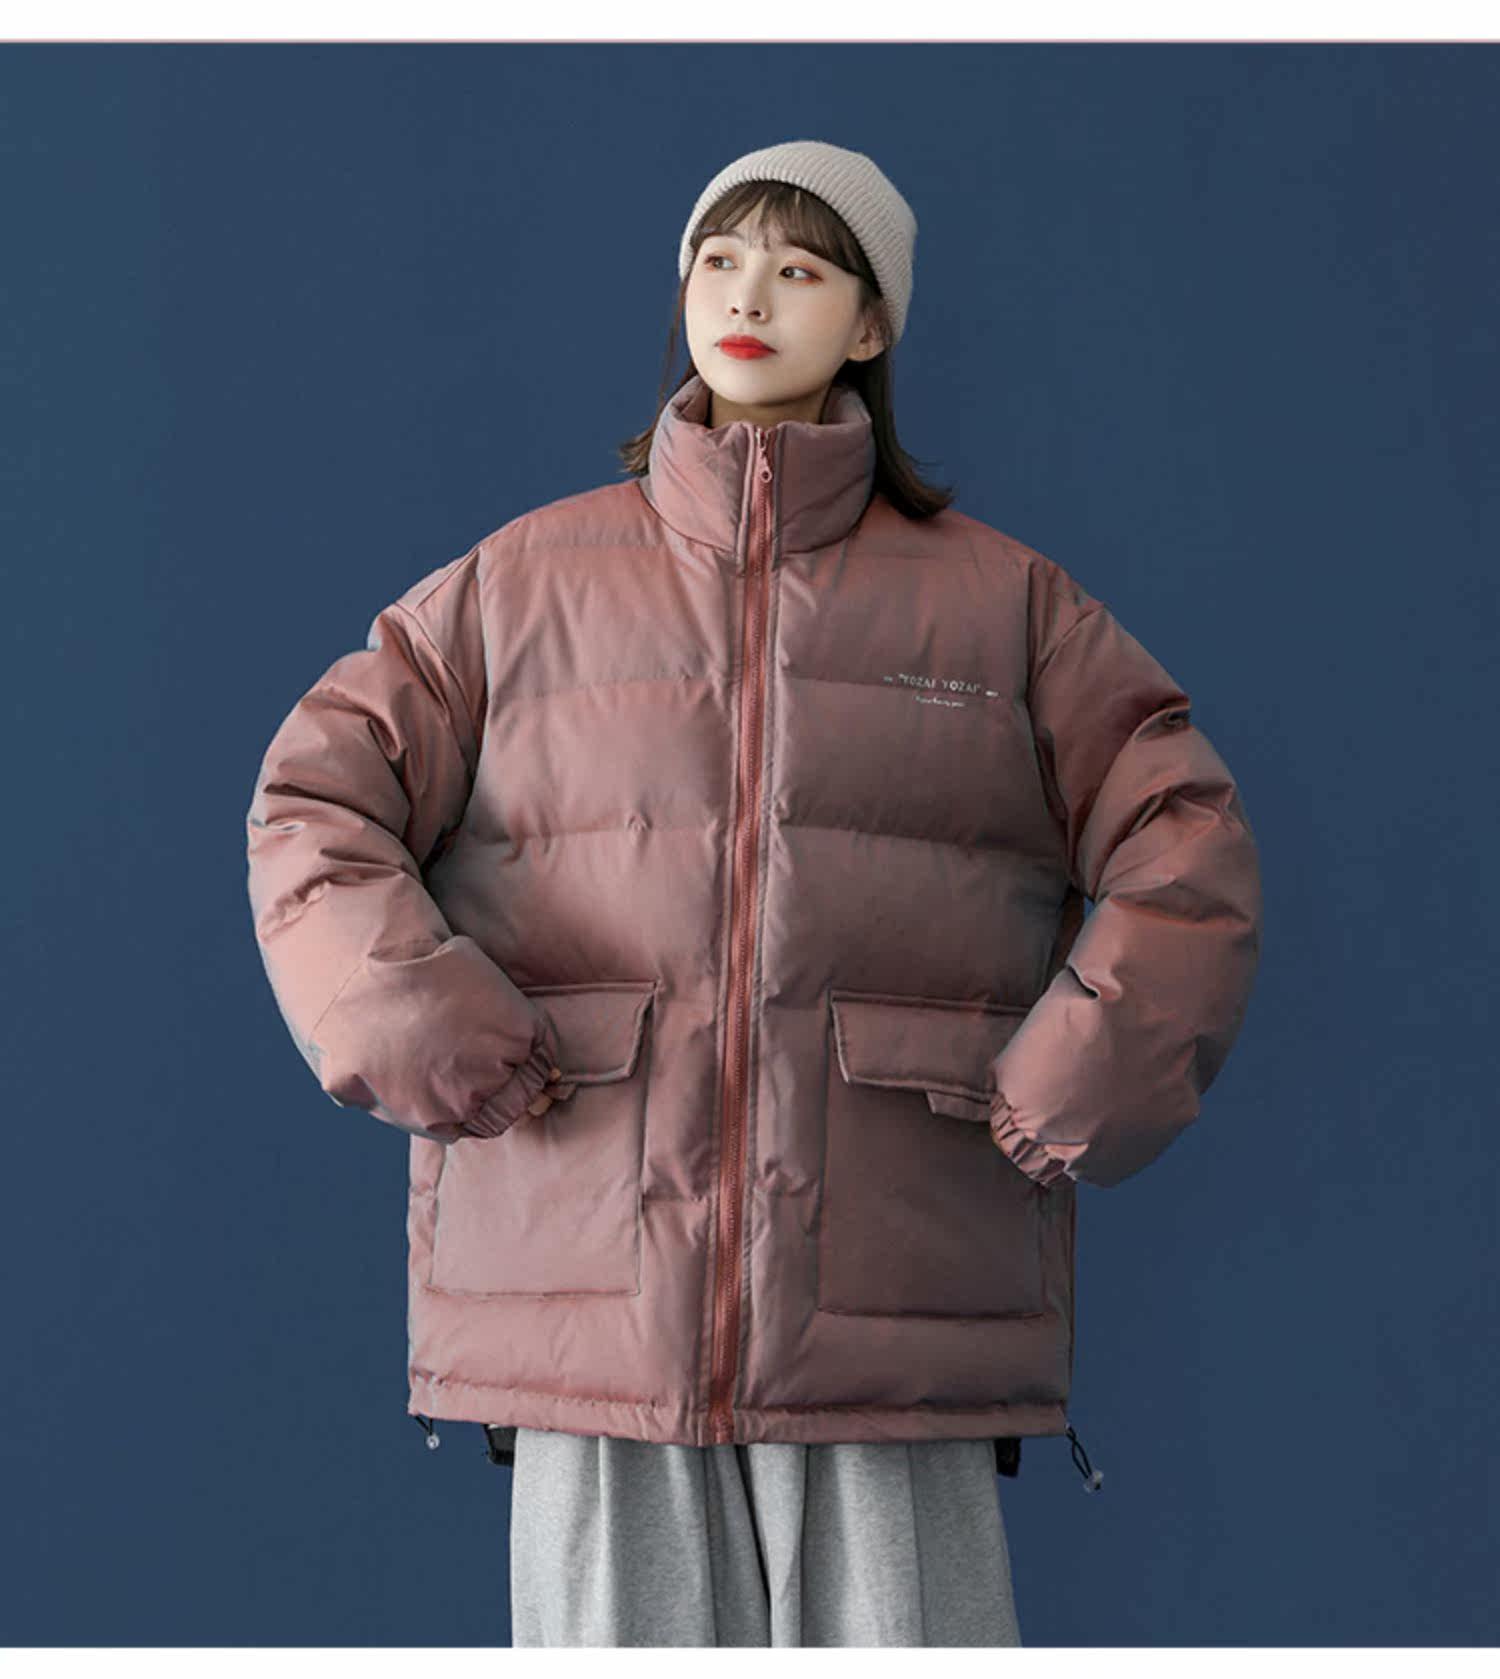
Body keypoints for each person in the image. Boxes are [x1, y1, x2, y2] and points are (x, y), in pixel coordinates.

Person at [245, 139, 1262, 1648]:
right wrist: (428, 1030)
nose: (749, 297)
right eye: (719, 261)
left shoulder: (1005, 607)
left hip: (895, 1296)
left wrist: (1077, 1081)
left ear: (870, 324)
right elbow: (316, 804)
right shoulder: (520, 587)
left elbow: (1185, 840)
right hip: (586, 1286)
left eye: (799, 268)